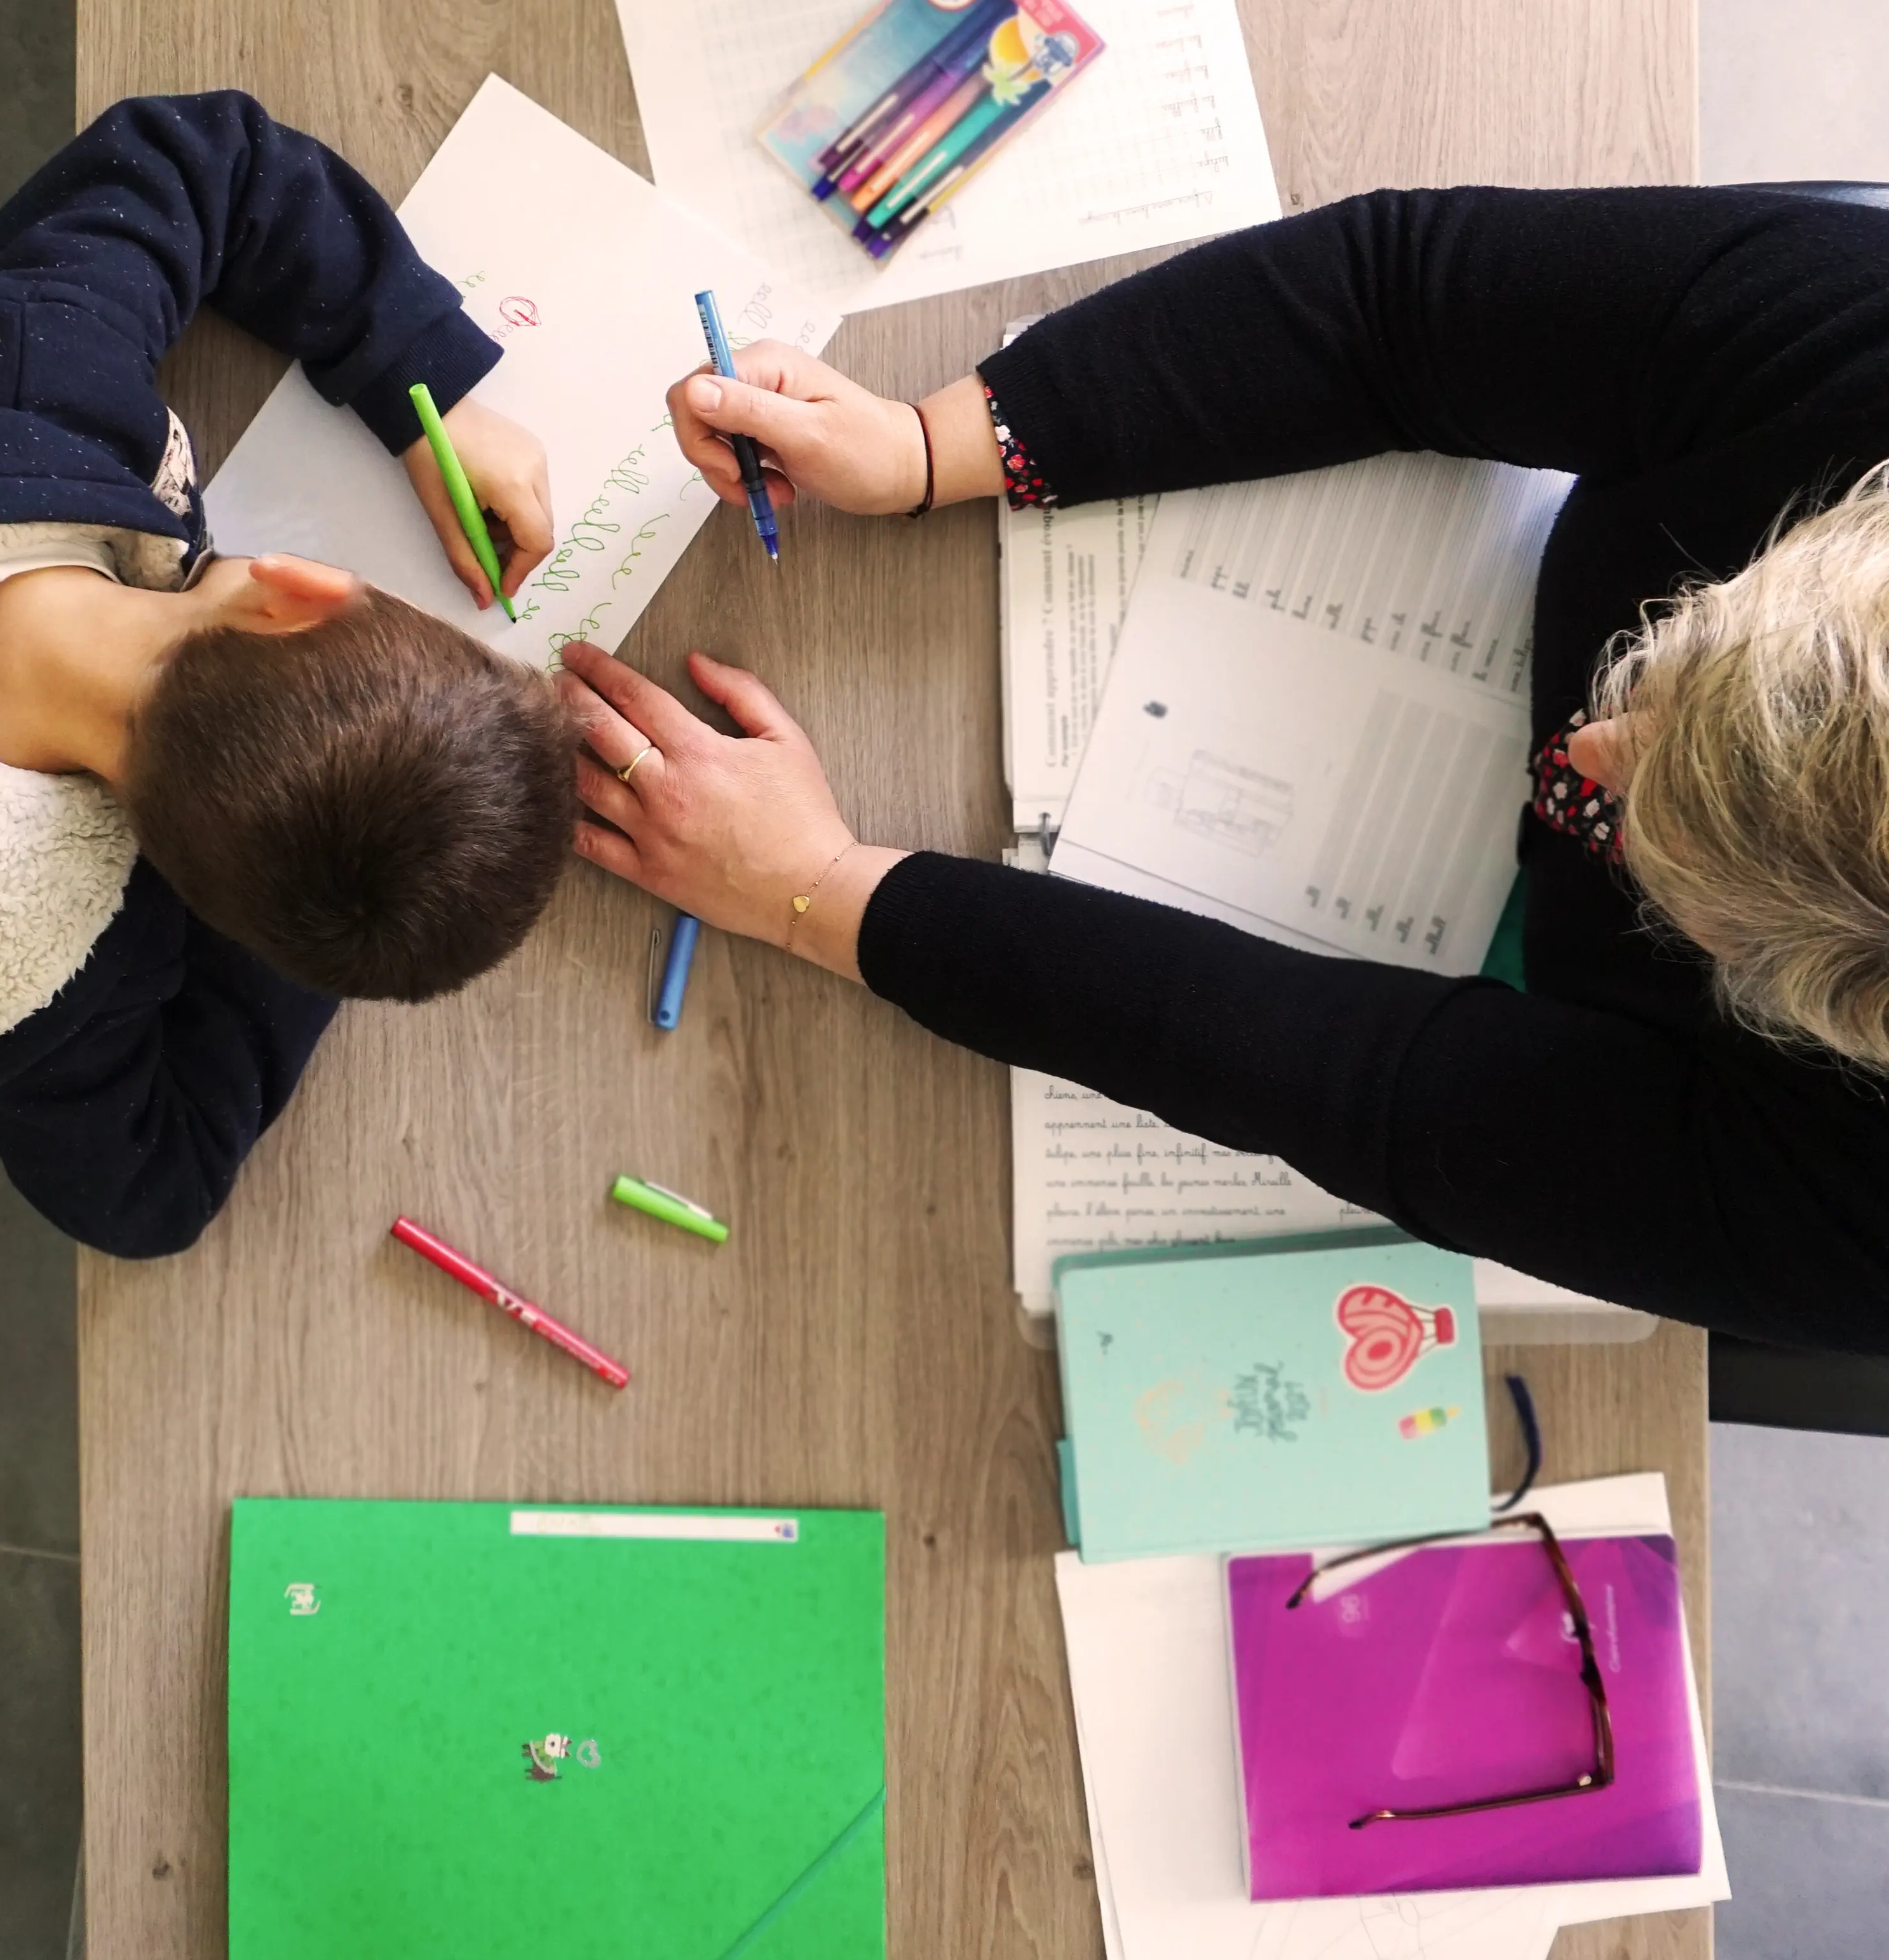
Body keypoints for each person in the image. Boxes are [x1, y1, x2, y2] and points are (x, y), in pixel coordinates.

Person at [560, 185, 1889, 1354]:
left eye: (1647, 828)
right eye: (1672, 646)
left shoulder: (1857, 1221)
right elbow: (1401, 304)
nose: (1586, 750)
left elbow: (1361, 1087)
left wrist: (820, 887)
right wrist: (928, 449)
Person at [0, 93, 577, 1259]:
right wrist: (302, 895)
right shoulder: (45, 985)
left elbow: (197, 159)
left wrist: (426, 383)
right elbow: (152, 1197)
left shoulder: (20, 394)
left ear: (296, 589)